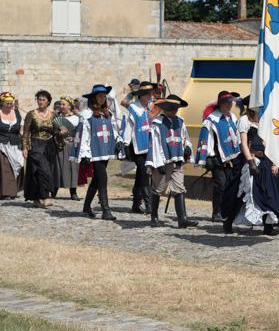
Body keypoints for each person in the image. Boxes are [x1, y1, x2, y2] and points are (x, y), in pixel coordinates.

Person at [222, 96, 279, 235]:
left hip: (264, 160)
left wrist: (273, 162)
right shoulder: (244, 120)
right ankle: (228, 221)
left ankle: (268, 227)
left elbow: (268, 144)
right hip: (249, 160)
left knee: (266, 192)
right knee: (243, 192)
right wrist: (250, 162)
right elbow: (243, 143)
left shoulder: (264, 121)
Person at [146, 94, 198, 228]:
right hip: (163, 161)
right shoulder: (157, 123)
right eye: (173, 108)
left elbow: (184, 138)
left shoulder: (180, 122)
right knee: (157, 189)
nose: (175, 110)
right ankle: (154, 217)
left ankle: (182, 219)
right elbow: (154, 144)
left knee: (179, 189)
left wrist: (186, 148)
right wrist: (158, 163)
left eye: (177, 108)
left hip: (177, 160)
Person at [196, 90, 241, 222]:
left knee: (231, 186)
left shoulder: (232, 117)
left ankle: (228, 212)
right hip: (217, 158)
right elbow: (207, 139)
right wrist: (208, 158)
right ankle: (217, 212)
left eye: (230, 102)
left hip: (232, 158)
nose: (229, 105)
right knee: (220, 186)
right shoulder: (211, 120)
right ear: (220, 104)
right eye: (226, 103)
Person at [78, 84, 121, 220]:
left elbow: (113, 130)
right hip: (93, 150)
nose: (102, 99)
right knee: (103, 178)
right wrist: (85, 154)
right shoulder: (87, 114)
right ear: (94, 98)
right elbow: (85, 134)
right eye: (100, 96)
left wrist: (118, 140)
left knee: (97, 179)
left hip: (106, 149)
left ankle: (86, 206)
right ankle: (105, 210)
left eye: (104, 96)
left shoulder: (108, 114)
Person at [123, 81, 157, 214]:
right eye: (147, 93)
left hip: (150, 145)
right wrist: (126, 144)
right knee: (144, 172)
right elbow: (128, 127)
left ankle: (136, 204)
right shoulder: (133, 108)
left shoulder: (153, 108)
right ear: (141, 95)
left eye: (151, 93)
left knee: (140, 174)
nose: (150, 95)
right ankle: (148, 203)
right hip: (136, 145)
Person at [0, 92, 24, 199]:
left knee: (16, 166)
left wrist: (25, 138)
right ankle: (6, 192)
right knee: (4, 168)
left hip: (15, 145)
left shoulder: (17, 113)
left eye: (11, 104)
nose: (9, 106)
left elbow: (21, 129)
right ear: (1, 102)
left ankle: (12, 190)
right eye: (7, 103)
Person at [22, 90, 57, 209]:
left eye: (43, 100)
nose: (40, 102)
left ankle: (36, 199)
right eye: (39, 100)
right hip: (35, 145)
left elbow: (55, 130)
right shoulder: (31, 114)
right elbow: (26, 132)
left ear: (48, 102)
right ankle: (45, 197)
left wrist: (61, 132)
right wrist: (25, 148)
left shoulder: (52, 115)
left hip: (48, 146)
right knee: (44, 170)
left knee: (37, 173)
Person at [52, 97, 80, 200]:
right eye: (61, 105)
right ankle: (54, 190)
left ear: (70, 106)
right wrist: (59, 133)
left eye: (64, 105)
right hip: (59, 144)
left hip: (71, 144)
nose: (61, 106)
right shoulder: (56, 116)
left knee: (72, 168)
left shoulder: (77, 118)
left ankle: (73, 191)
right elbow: (52, 130)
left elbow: (80, 131)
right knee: (58, 167)